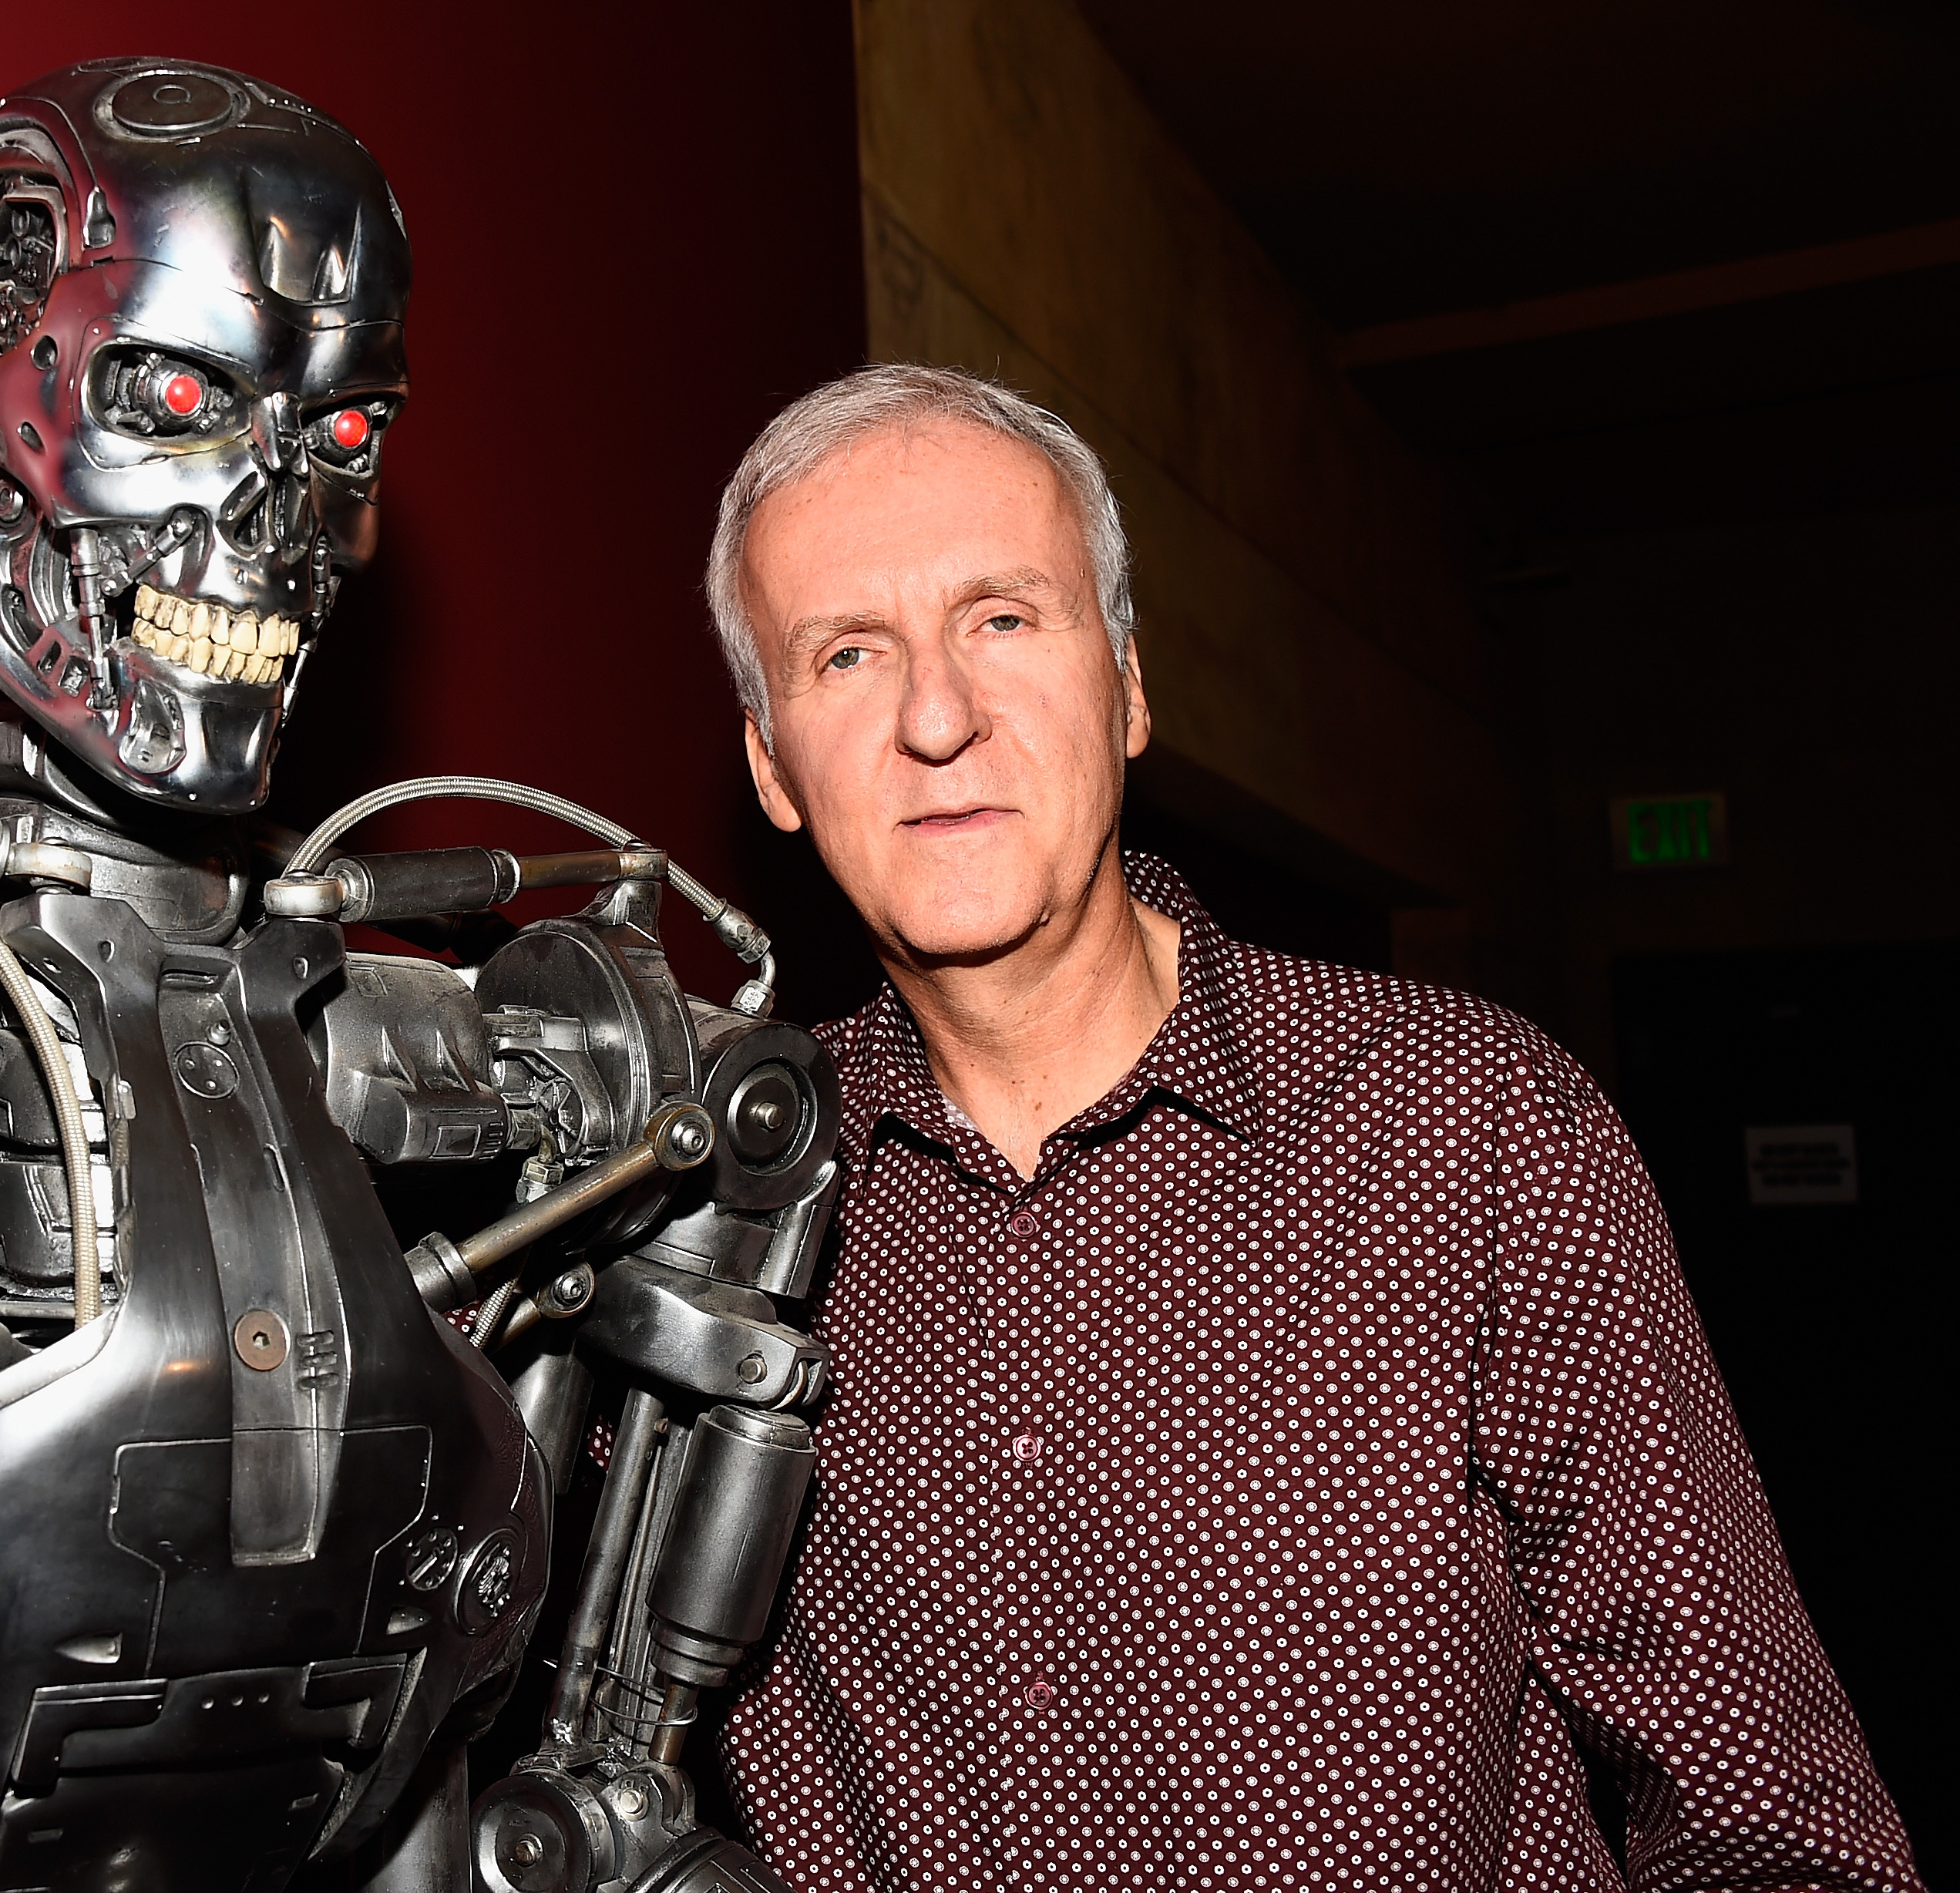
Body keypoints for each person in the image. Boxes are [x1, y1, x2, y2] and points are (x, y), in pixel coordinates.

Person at [695, 364, 1918, 1890]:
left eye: (1003, 619)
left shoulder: (1469, 1126)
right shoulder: (696, 1210)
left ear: (1129, 684)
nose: (937, 716)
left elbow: (1772, 1822)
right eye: (849, 654)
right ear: (771, 764)